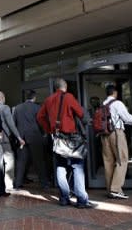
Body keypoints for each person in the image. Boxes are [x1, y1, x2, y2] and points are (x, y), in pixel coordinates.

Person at [37, 78, 95, 209]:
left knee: (61, 167)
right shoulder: (69, 97)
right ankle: (81, 200)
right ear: (66, 86)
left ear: (55, 87)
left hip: (57, 138)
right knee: (77, 167)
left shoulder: (48, 100)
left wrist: (49, 130)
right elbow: (81, 113)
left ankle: (64, 198)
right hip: (72, 138)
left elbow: (40, 117)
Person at [100, 84, 132, 199]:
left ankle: (111, 190)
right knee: (122, 159)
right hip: (116, 133)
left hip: (104, 136)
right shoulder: (117, 103)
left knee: (108, 162)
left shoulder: (103, 104)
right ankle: (115, 189)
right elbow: (126, 117)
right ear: (115, 92)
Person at [13, 89, 48, 189]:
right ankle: (44, 183)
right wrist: (44, 133)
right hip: (35, 137)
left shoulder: (17, 108)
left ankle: (18, 183)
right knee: (39, 161)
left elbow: (14, 122)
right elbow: (41, 122)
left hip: (21, 138)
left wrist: (17, 136)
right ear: (34, 97)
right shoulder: (37, 108)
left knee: (21, 161)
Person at [0, 91, 25, 191]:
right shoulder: (5, 108)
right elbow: (11, 124)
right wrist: (19, 137)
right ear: (2, 97)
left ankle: (0, 183)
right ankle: (8, 183)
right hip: (5, 138)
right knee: (9, 159)